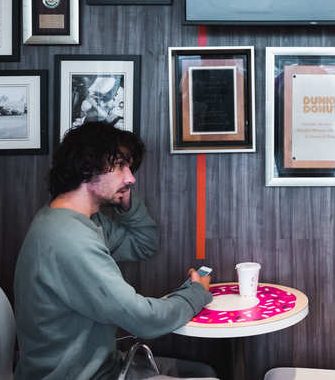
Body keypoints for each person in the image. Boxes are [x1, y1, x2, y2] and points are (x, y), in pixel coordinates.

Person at [14, 122, 217, 379]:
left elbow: (144, 243)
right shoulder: (69, 239)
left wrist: (127, 204)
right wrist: (196, 293)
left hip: (103, 367)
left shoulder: (76, 220)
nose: (131, 178)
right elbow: (144, 320)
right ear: (87, 168)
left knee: (204, 371)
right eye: (121, 166)